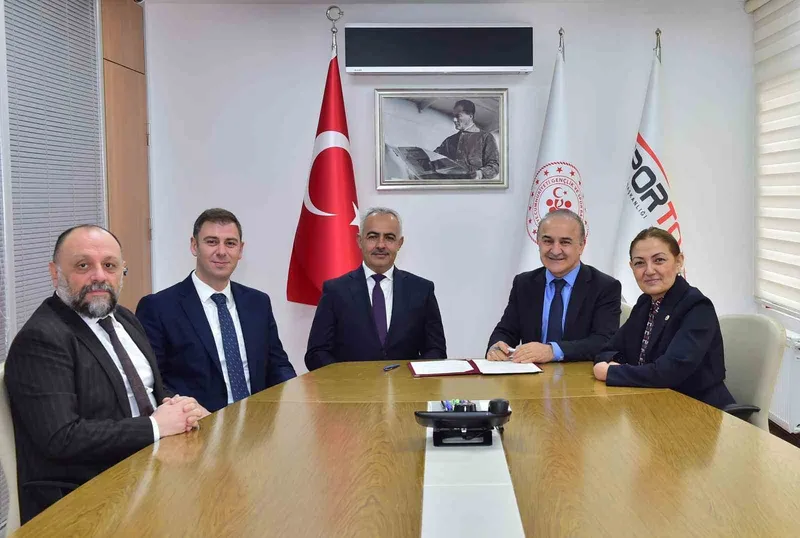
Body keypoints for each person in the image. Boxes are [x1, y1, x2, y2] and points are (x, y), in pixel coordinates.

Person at [4, 225, 207, 523]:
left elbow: (150, 391)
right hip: (86, 499)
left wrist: (180, 407)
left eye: (109, 265)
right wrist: (154, 426)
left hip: (150, 469)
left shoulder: (124, 318)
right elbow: (61, 438)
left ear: (122, 271)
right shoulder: (41, 338)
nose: (99, 276)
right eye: (83, 265)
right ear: (55, 273)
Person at [136, 209, 296, 412]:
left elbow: (278, 364)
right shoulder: (158, 307)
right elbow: (153, 381)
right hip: (197, 423)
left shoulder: (258, 302)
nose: (221, 251)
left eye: (230, 243)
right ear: (194, 246)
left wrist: (295, 397)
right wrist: (190, 411)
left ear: (240, 250)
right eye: (212, 242)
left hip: (257, 420)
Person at [592, 227, 735, 409]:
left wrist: (612, 372)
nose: (649, 270)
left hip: (699, 410)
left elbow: (670, 371)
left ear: (679, 261)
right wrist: (608, 363)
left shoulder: (697, 307)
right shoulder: (645, 303)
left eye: (659, 260)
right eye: (639, 263)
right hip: (652, 404)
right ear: (631, 267)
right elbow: (608, 349)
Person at [305, 207, 446, 371]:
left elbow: (436, 351)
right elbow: (316, 353)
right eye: (372, 237)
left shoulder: (422, 290)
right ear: (359, 241)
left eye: (389, 238)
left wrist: (408, 376)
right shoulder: (335, 291)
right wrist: (347, 378)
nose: (380, 245)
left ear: (399, 243)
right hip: (351, 385)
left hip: (405, 385)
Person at [487, 209, 621, 363]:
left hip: (579, 374)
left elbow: (603, 341)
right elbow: (506, 331)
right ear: (538, 243)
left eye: (565, 242)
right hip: (531, 374)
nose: (555, 250)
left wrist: (552, 351)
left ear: (581, 246)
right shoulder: (524, 283)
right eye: (548, 241)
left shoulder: (605, 287)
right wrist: (497, 346)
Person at [434, 99, 500, 180]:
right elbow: (434, 158)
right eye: (453, 116)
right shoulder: (449, 141)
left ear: (470, 116)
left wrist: (480, 173)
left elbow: (495, 166)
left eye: (458, 116)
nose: (454, 120)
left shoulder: (485, 137)